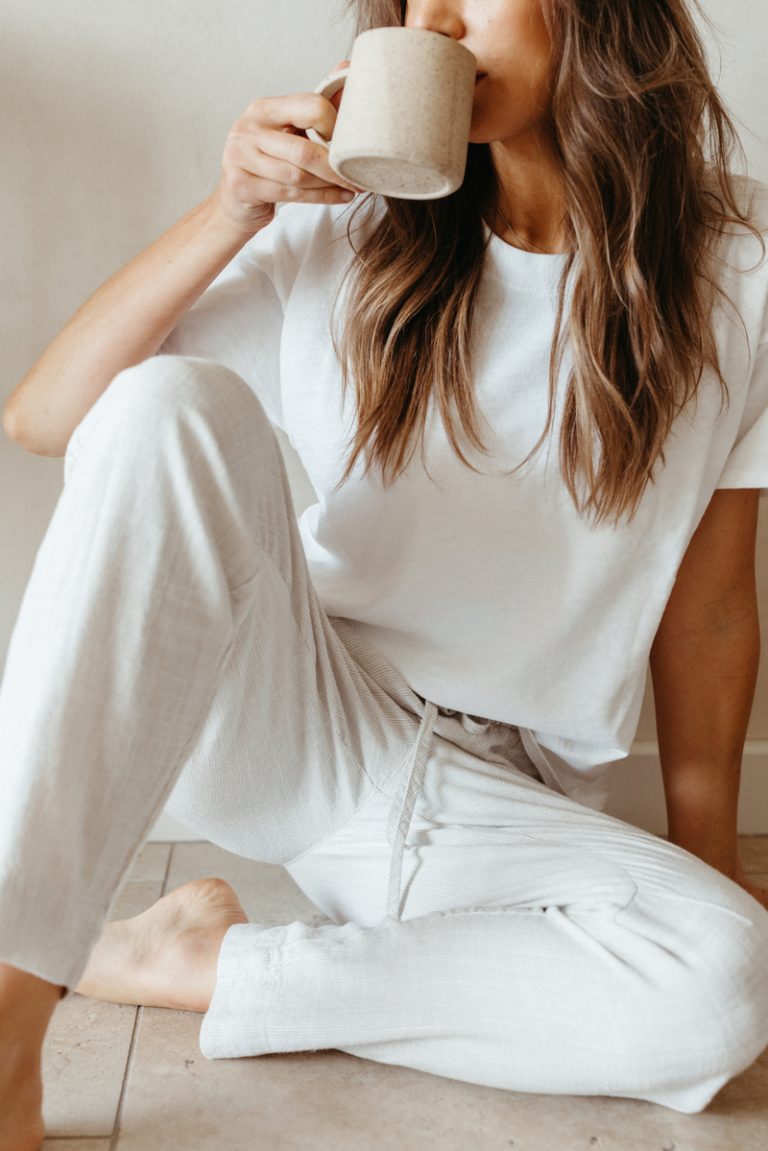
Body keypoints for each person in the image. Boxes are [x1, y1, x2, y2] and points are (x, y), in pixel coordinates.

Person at [2, 0, 768, 1145]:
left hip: (503, 802)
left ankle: (202, 961)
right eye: (411, 2)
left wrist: (710, 867)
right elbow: (48, 415)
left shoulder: (740, 272)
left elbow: (706, 611)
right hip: (300, 722)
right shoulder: (348, 230)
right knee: (166, 403)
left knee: (721, 982)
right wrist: (232, 210)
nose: (437, 20)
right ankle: (11, 1009)